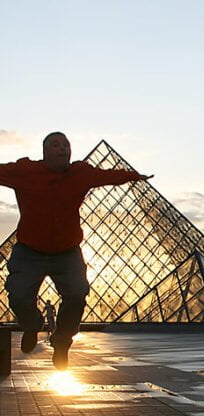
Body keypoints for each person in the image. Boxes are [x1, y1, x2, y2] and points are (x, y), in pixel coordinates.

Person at [0, 132, 153, 369]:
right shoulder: (25, 171)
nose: (63, 149)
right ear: (45, 152)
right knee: (18, 295)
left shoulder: (80, 174)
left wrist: (134, 176)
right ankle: (31, 325)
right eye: (56, 145)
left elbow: (107, 176)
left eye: (66, 145)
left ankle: (62, 342)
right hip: (29, 251)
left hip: (67, 252)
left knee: (78, 293)